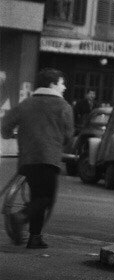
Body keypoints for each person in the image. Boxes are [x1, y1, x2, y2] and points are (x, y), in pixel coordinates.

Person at [1, 68, 74, 249]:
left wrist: (12, 134)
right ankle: (21, 217)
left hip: (27, 160)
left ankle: (35, 238)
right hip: (48, 159)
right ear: (52, 84)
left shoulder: (26, 104)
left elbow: (5, 126)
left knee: (37, 196)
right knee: (46, 198)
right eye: (61, 83)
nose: (64, 87)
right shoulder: (63, 106)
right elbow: (68, 135)